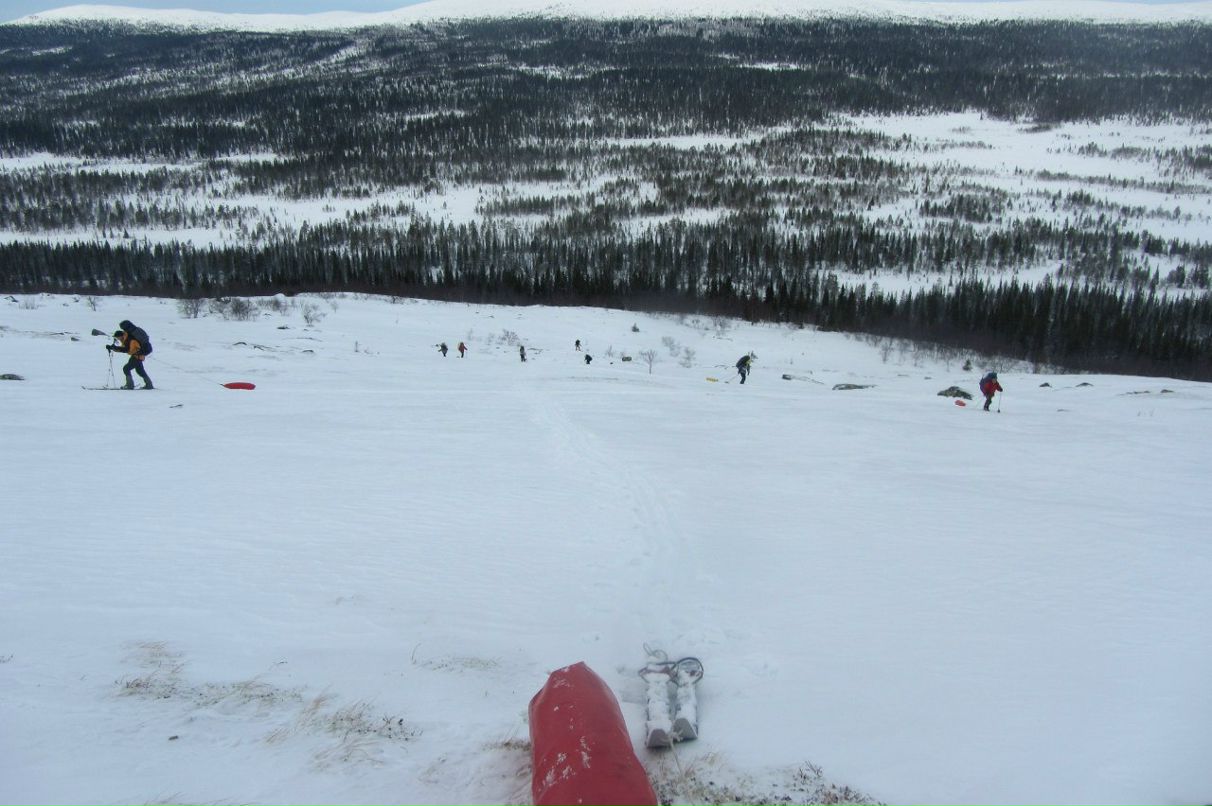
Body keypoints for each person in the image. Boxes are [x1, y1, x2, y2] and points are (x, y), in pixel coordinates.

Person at [106, 319, 153, 389]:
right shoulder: (128, 337)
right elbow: (125, 348)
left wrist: (115, 348)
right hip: (139, 355)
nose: (118, 339)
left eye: (117, 337)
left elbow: (127, 349)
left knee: (126, 368)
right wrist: (114, 348)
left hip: (137, 356)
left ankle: (130, 385)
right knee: (140, 371)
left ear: (120, 335)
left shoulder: (130, 339)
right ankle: (149, 385)